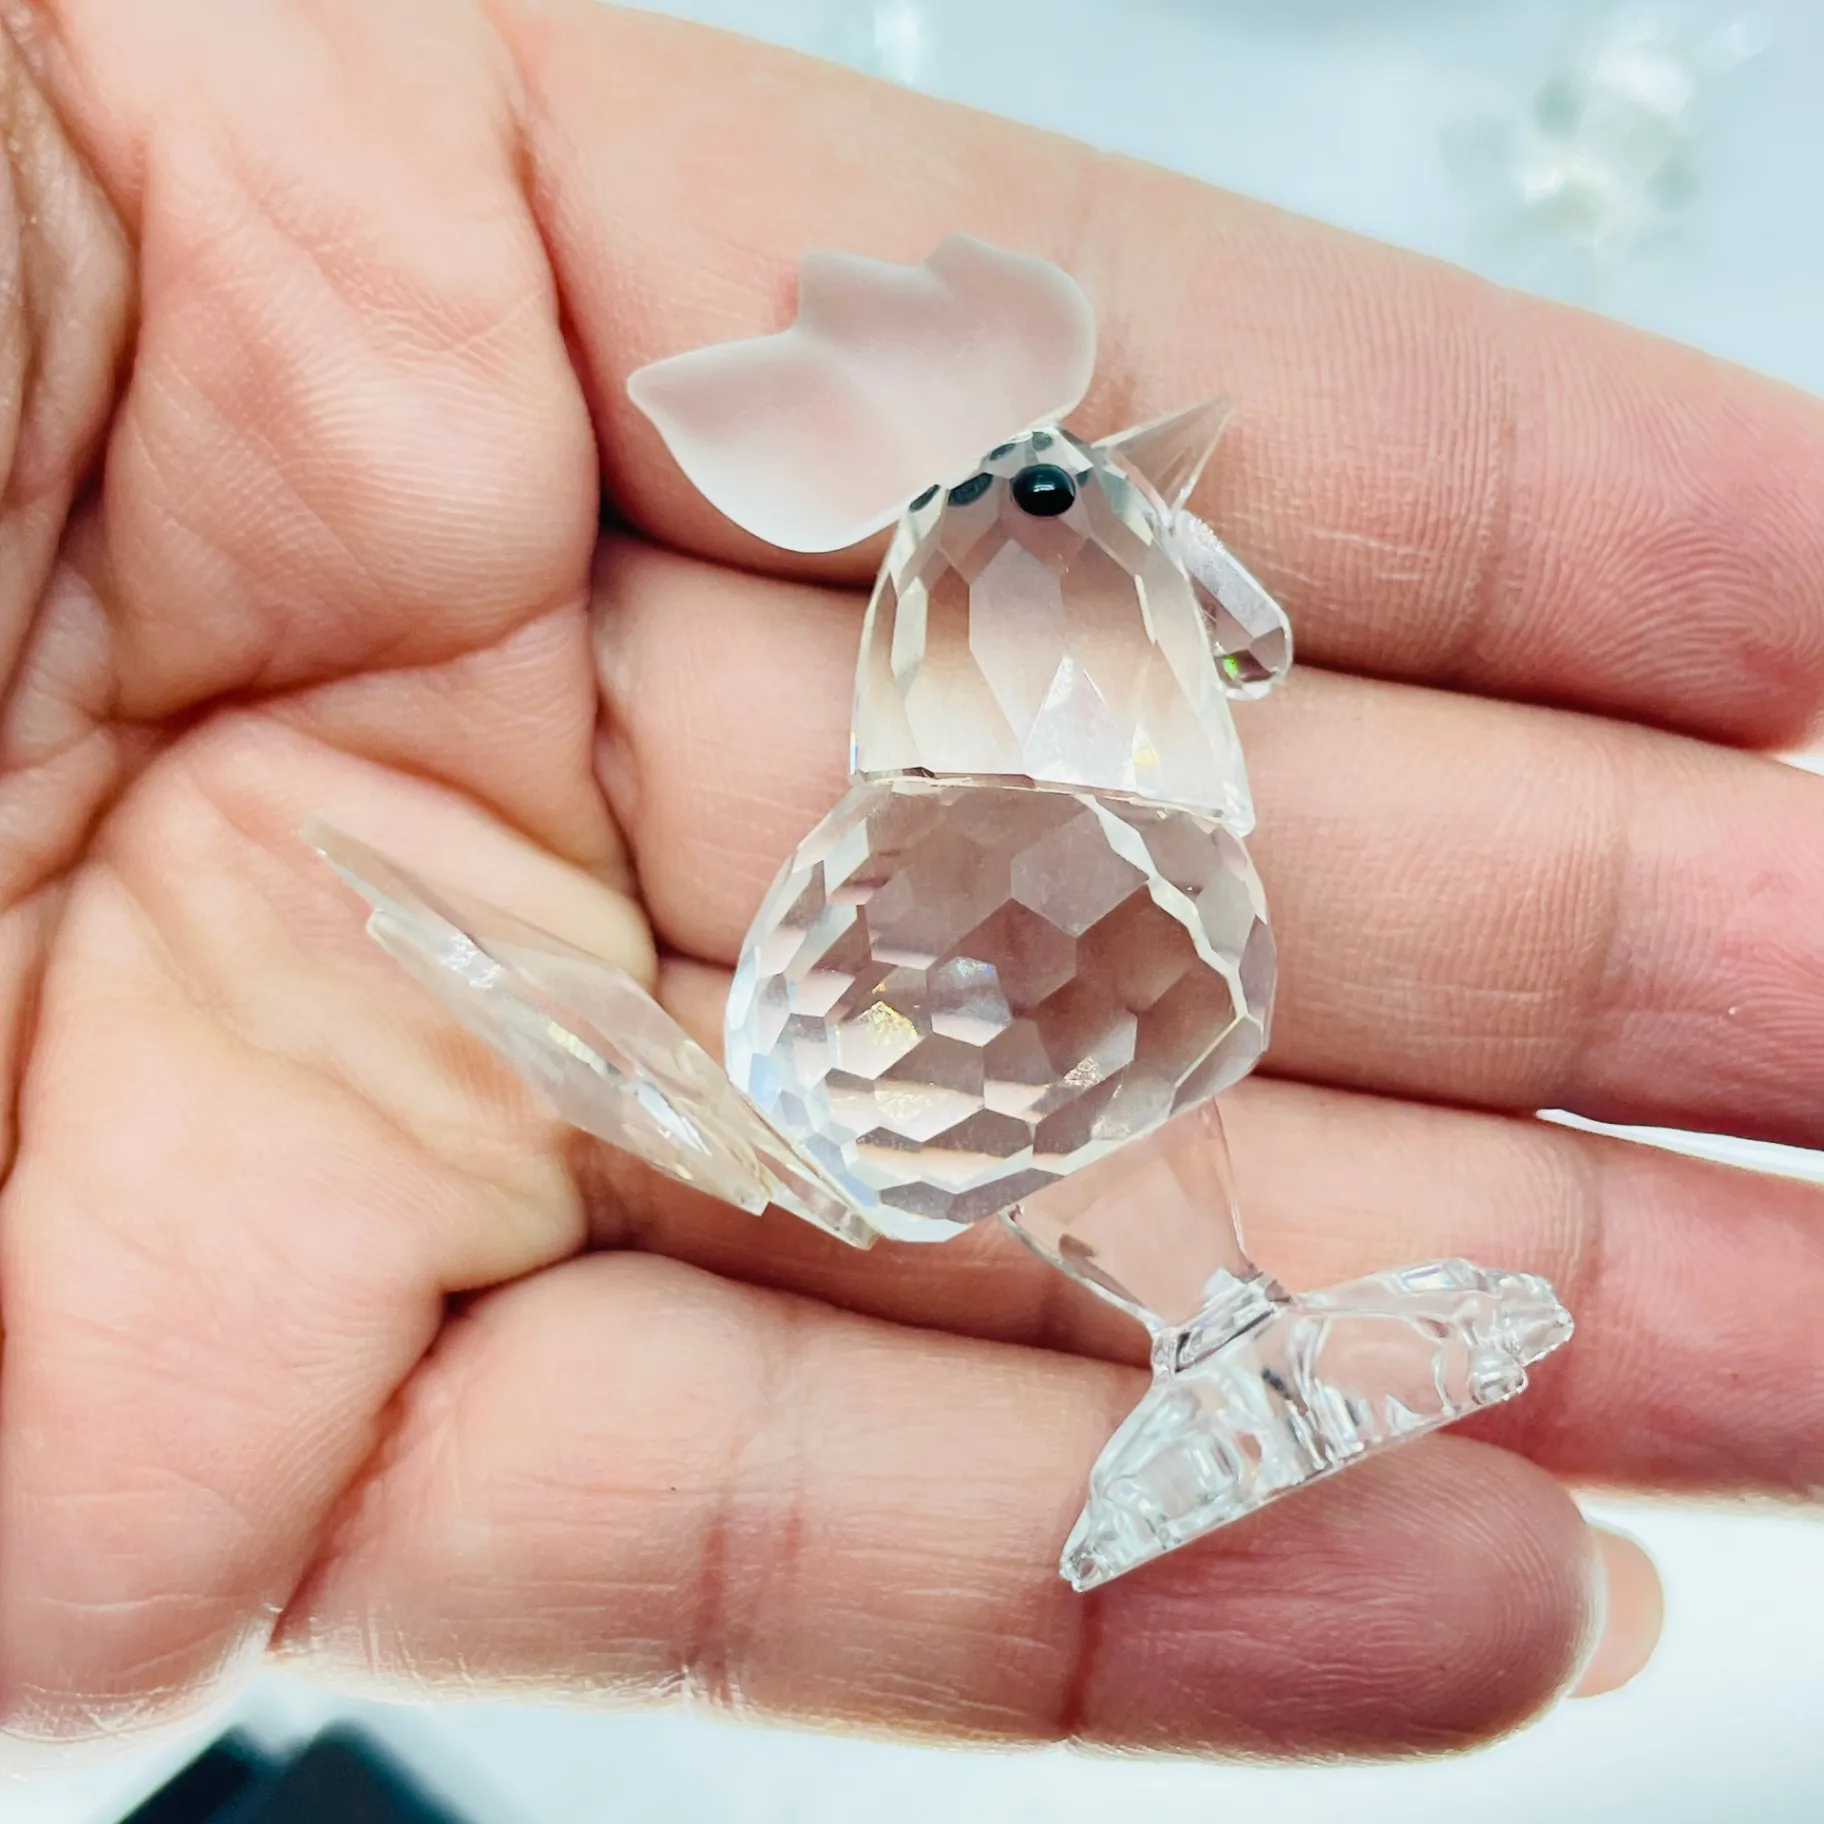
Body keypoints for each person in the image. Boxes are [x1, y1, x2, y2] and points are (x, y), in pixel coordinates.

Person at [0, 0, 1816, 1767]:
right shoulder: (1036, 810)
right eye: (1069, 497)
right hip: (916, 1060)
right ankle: (1231, 1349)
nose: (1131, 516)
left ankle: (1240, 1336)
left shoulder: (1093, 773)